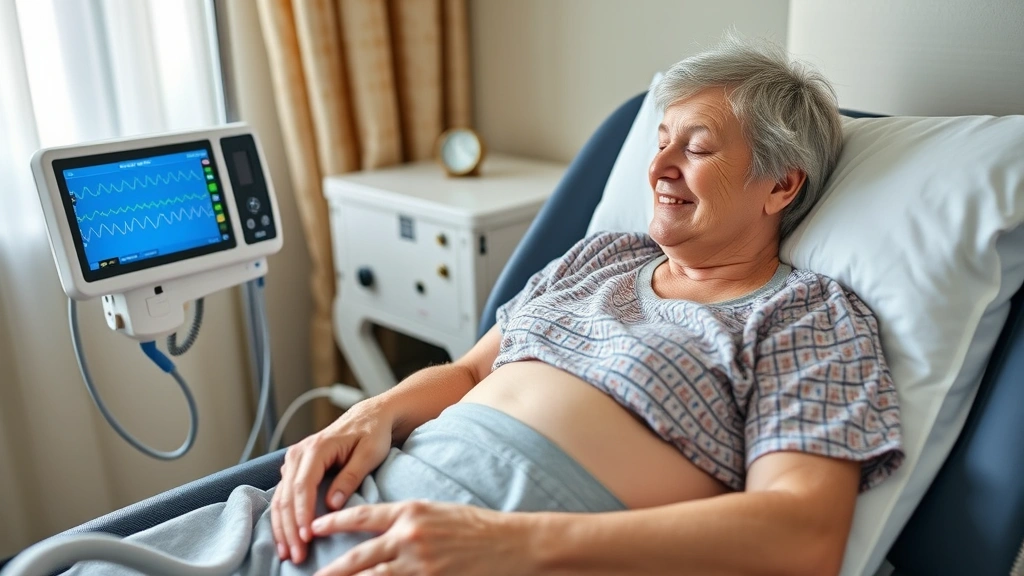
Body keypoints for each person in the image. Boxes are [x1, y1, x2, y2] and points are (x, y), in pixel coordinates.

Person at [59, 35, 903, 576]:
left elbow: (800, 534)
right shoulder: (603, 257)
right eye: (660, 142)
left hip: (506, 546)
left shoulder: (806, 317)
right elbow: (467, 371)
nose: (658, 168)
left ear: (781, 184)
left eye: (700, 146)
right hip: (342, 508)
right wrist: (368, 416)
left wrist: (509, 545)